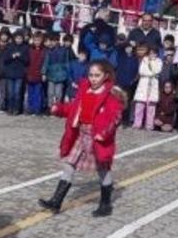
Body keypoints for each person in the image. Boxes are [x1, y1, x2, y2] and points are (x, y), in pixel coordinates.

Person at [40, 60, 125, 216]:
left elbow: (115, 118)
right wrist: (59, 108)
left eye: (97, 75)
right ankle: (56, 201)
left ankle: (106, 205)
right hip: (80, 133)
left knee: (103, 169)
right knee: (69, 164)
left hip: (97, 138)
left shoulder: (111, 94)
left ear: (105, 76)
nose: (93, 78)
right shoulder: (84, 89)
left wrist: (104, 133)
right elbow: (74, 109)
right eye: (91, 75)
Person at [131, 43, 162, 130]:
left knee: (151, 107)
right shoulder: (144, 60)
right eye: (151, 53)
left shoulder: (159, 61)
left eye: (154, 53)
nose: (152, 55)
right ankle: (137, 123)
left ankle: (149, 125)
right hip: (144, 84)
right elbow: (141, 71)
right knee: (139, 105)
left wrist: (151, 68)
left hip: (153, 85)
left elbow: (157, 70)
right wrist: (150, 73)